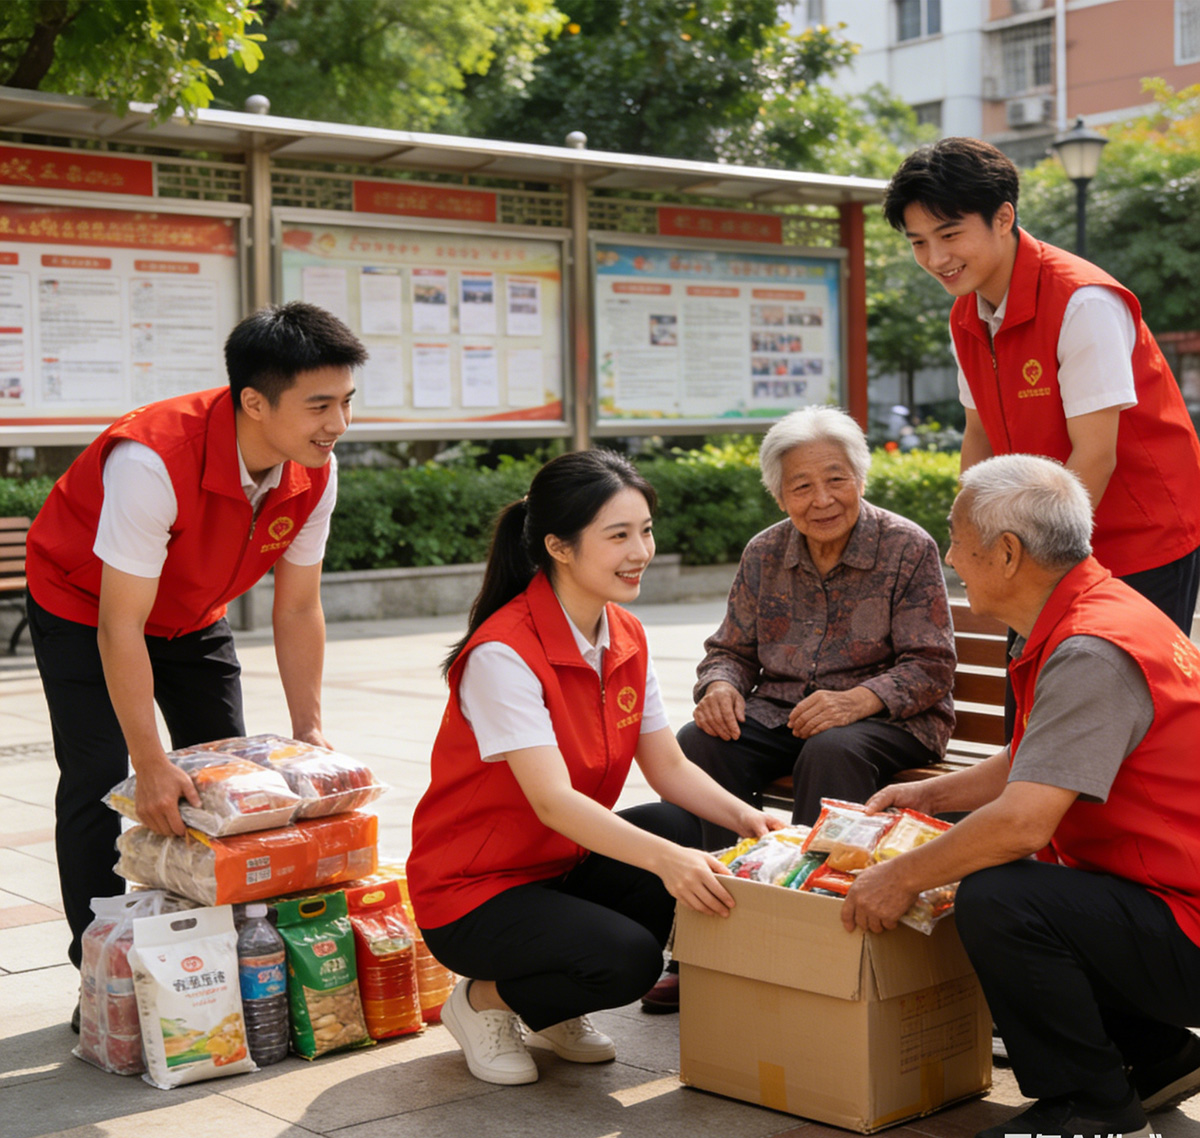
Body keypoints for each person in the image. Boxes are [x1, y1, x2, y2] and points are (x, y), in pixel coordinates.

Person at [842, 454, 1200, 1138]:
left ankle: (1091, 1107)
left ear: (1007, 553)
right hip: (1171, 899)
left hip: (1187, 922)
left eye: (957, 537)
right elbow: (1035, 758)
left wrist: (900, 876)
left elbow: (1022, 824)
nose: (950, 556)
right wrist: (928, 799)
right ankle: (1157, 1060)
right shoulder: (1099, 611)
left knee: (1002, 897)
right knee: (1027, 888)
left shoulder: (1093, 648)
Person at [26, 301, 366, 1012]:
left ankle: (218, 959)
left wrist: (309, 732)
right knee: (99, 778)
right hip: (84, 604)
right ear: (253, 401)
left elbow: (298, 605)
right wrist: (149, 765)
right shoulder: (152, 459)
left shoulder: (314, 469)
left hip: (192, 611)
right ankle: (102, 975)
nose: (339, 424)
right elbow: (122, 627)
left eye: (347, 401)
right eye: (320, 405)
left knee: (229, 782)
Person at [405, 449, 782, 1087]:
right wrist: (667, 864)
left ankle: (553, 1003)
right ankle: (484, 1002)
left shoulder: (624, 633)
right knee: (629, 961)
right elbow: (552, 801)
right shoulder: (504, 652)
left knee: (673, 823)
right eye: (618, 536)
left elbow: (667, 766)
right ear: (558, 545)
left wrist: (753, 822)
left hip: (555, 866)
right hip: (472, 893)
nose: (641, 550)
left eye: (645, 531)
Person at [884, 136, 1200, 632]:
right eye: (918, 242)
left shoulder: (1082, 300)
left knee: (1126, 700)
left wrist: (1036, 564)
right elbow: (978, 435)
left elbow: (1096, 454)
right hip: (1042, 544)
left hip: (1139, 536)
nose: (935, 257)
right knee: (1036, 703)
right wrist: (972, 541)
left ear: (1004, 218)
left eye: (949, 234)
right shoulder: (965, 312)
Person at [678, 406, 955, 849]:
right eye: (802, 486)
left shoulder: (907, 547)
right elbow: (731, 651)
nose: (822, 499)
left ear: (860, 480)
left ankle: (810, 895)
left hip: (889, 722)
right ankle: (727, 878)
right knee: (701, 741)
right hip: (785, 715)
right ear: (779, 495)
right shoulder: (764, 552)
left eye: (836, 479)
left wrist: (856, 702)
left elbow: (931, 665)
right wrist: (720, 687)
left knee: (831, 748)